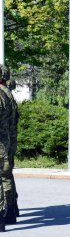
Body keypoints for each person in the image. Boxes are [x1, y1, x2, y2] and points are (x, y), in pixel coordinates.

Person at [0, 77, 19, 221]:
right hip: (8, 140)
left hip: (4, 141)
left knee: (4, 176)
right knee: (6, 175)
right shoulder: (7, 95)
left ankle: (7, 210)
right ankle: (11, 209)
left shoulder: (3, 95)